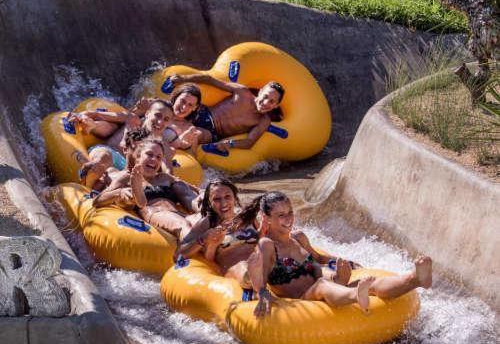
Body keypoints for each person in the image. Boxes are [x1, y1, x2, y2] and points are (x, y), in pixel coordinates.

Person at [237, 191, 433, 318]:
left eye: (290, 212)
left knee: (367, 281)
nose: (288, 218)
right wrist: (262, 294)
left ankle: (415, 279)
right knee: (323, 285)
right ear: (267, 219)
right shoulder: (267, 245)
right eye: (281, 215)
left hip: (324, 285)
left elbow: (320, 258)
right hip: (302, 301)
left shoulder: (299, 237)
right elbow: (256, 272)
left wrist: (344, 264)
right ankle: (357, 295)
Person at [93, 139, 199, 237]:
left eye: (158, 157)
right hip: (155, 212)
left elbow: (192, 189)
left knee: (203, 223)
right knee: (184, 224)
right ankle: (136, 193)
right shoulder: (127, 177)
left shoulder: (164, 177)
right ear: (138, 156)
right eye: (149, 154)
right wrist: (119, 192)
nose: (154, 159)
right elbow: (97, 201)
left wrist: (203, 193)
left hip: (179, 214)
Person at [177, 179, 264, 290]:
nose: (223, 203)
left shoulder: (246, 216)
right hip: (236, 270)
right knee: (245, 268)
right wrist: (203, 238)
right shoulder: (207, 223)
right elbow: (178, 254)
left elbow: (263, 241)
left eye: (227, 196)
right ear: (209, 202)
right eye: (217, 199)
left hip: (259, 262)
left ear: (234, 197)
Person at [168, 73, 285, 155]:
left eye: (271, 101)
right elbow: (209, 79)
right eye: (265, 96)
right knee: (167, 112)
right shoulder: (242, 92)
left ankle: (188, 163)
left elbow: (249, 142)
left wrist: (230, 144)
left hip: (212, 132)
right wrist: (183, 79)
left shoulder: (263, 120)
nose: (265, 103)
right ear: (260, 92)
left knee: (194, 134)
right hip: (202, 112)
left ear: (276, 106)